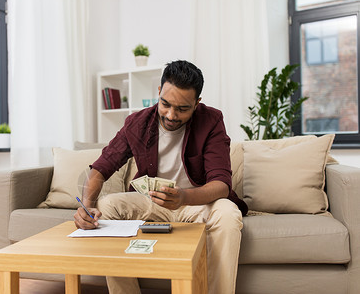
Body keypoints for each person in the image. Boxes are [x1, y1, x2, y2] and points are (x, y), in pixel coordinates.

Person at [74, 60, 248, 294]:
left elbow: (221, 185)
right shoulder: (137, 123)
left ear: (197, 103)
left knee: (227, 213)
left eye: (183, 109)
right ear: (158, 92)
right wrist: (86, 207)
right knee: (106, 207)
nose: (171, 115)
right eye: (165, 104)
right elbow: (101, 168)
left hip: (196, 203)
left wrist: (183, 197)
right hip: (152, 202)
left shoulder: (212, 120)